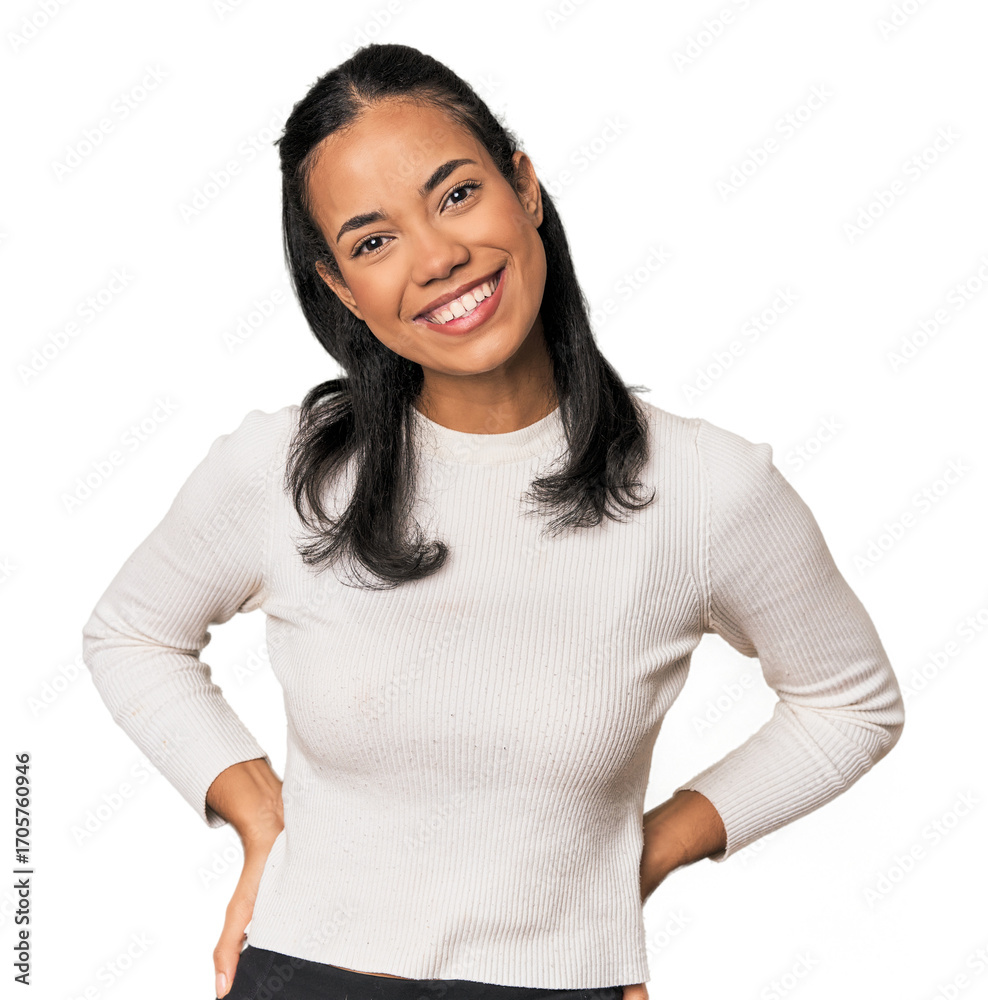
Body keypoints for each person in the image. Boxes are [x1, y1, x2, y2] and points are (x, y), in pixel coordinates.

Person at [81, 42, 905, 1000]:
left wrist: (645, 854)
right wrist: (257, 810)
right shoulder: (286, 470)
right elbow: (130, 634)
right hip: (303, 973)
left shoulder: (706, 488)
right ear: (342, 288)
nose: (438, 258)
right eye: (372, 242)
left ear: (525, 187)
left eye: (458, 195)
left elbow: (852, 704)